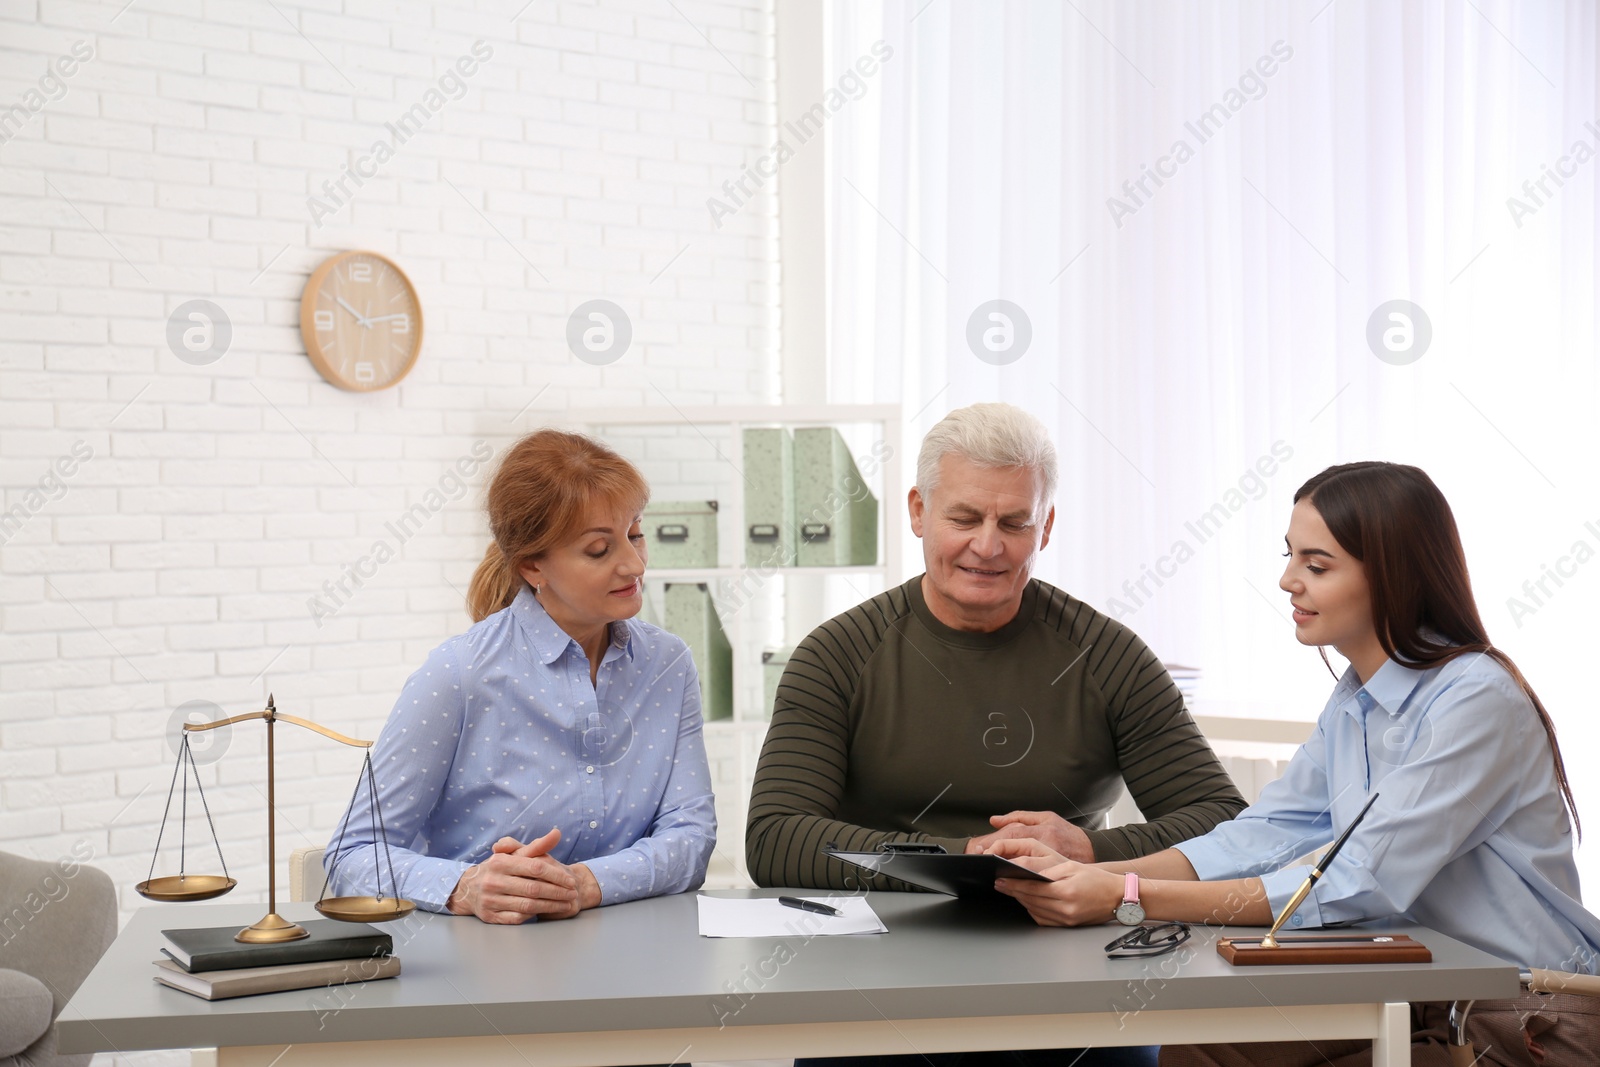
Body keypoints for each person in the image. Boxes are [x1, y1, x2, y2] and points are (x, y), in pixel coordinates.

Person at [990, 461, 1600, 1066]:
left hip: (1529, 1014)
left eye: (1316, 565)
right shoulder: (1355, 698)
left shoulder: (1475, 698)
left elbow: (1359, 882)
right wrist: (1096, 874)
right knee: (1197, 1046)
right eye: (1290, 556)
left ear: (1394, 576)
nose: (1287, 581)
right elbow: (1266, 831)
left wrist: (1125, 895)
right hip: (1425, 995)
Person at [747, 402, 1246, 1067]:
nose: (988, 545)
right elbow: (776, 836)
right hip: (874, 975)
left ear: (1048, 526)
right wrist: (969, 858)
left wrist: (1087, 848)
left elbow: (1227, 825)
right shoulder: (837, 654)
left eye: (1015, 522)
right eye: (964, 517)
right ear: (918, 511)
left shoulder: (1109, 656)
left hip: (1071, 972)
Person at [325, 429, 716, 923]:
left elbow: (692, 835)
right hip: (483, 965)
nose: (634, 563)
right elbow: (353, 856)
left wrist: (585, 884)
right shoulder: (458, 674)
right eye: (600, 549)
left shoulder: (668, 664)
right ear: (533, 566)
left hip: (634, 957)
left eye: (636, 533)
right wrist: (466, 887)